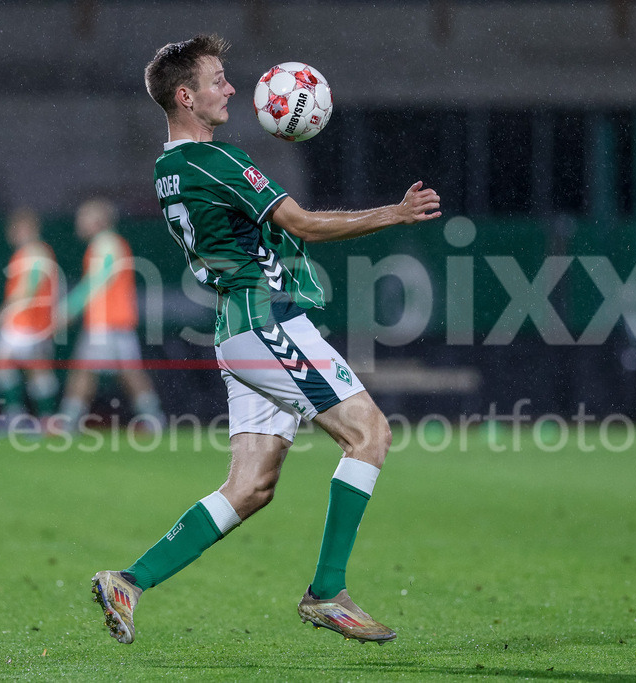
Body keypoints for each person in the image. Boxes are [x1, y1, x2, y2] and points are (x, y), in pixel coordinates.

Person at [90, 34, 440, 644]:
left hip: (238, 329)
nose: (231, 88)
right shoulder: (214, 161)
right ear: (185, 96)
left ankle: (130, 581)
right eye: (218, 79)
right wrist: (393, 213)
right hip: (266, 323)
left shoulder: (168, 169)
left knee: (250, 488)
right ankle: (328, 592)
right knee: (370, 434)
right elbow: (301, 222)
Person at [56, 198, 164, 431]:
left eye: (83, 218)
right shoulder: (114, 243)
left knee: (83, 371)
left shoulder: (104, 244)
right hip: (118, 320)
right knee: (129, 373)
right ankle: (155, 419)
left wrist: (69, 308)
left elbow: (96, 281)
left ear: (98, 221)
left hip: (104, 322)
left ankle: (67, 423)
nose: (79, 223)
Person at [0, 208, 61, 425]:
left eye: (15, 229)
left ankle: (17, 414)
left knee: (1, 362)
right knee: (36, 370)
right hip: (33, 322)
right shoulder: (36, 251)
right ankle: (45, 418)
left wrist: (7, 308)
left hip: (26, 322)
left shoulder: (34, 251)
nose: (11, 234)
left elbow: (32, 283)